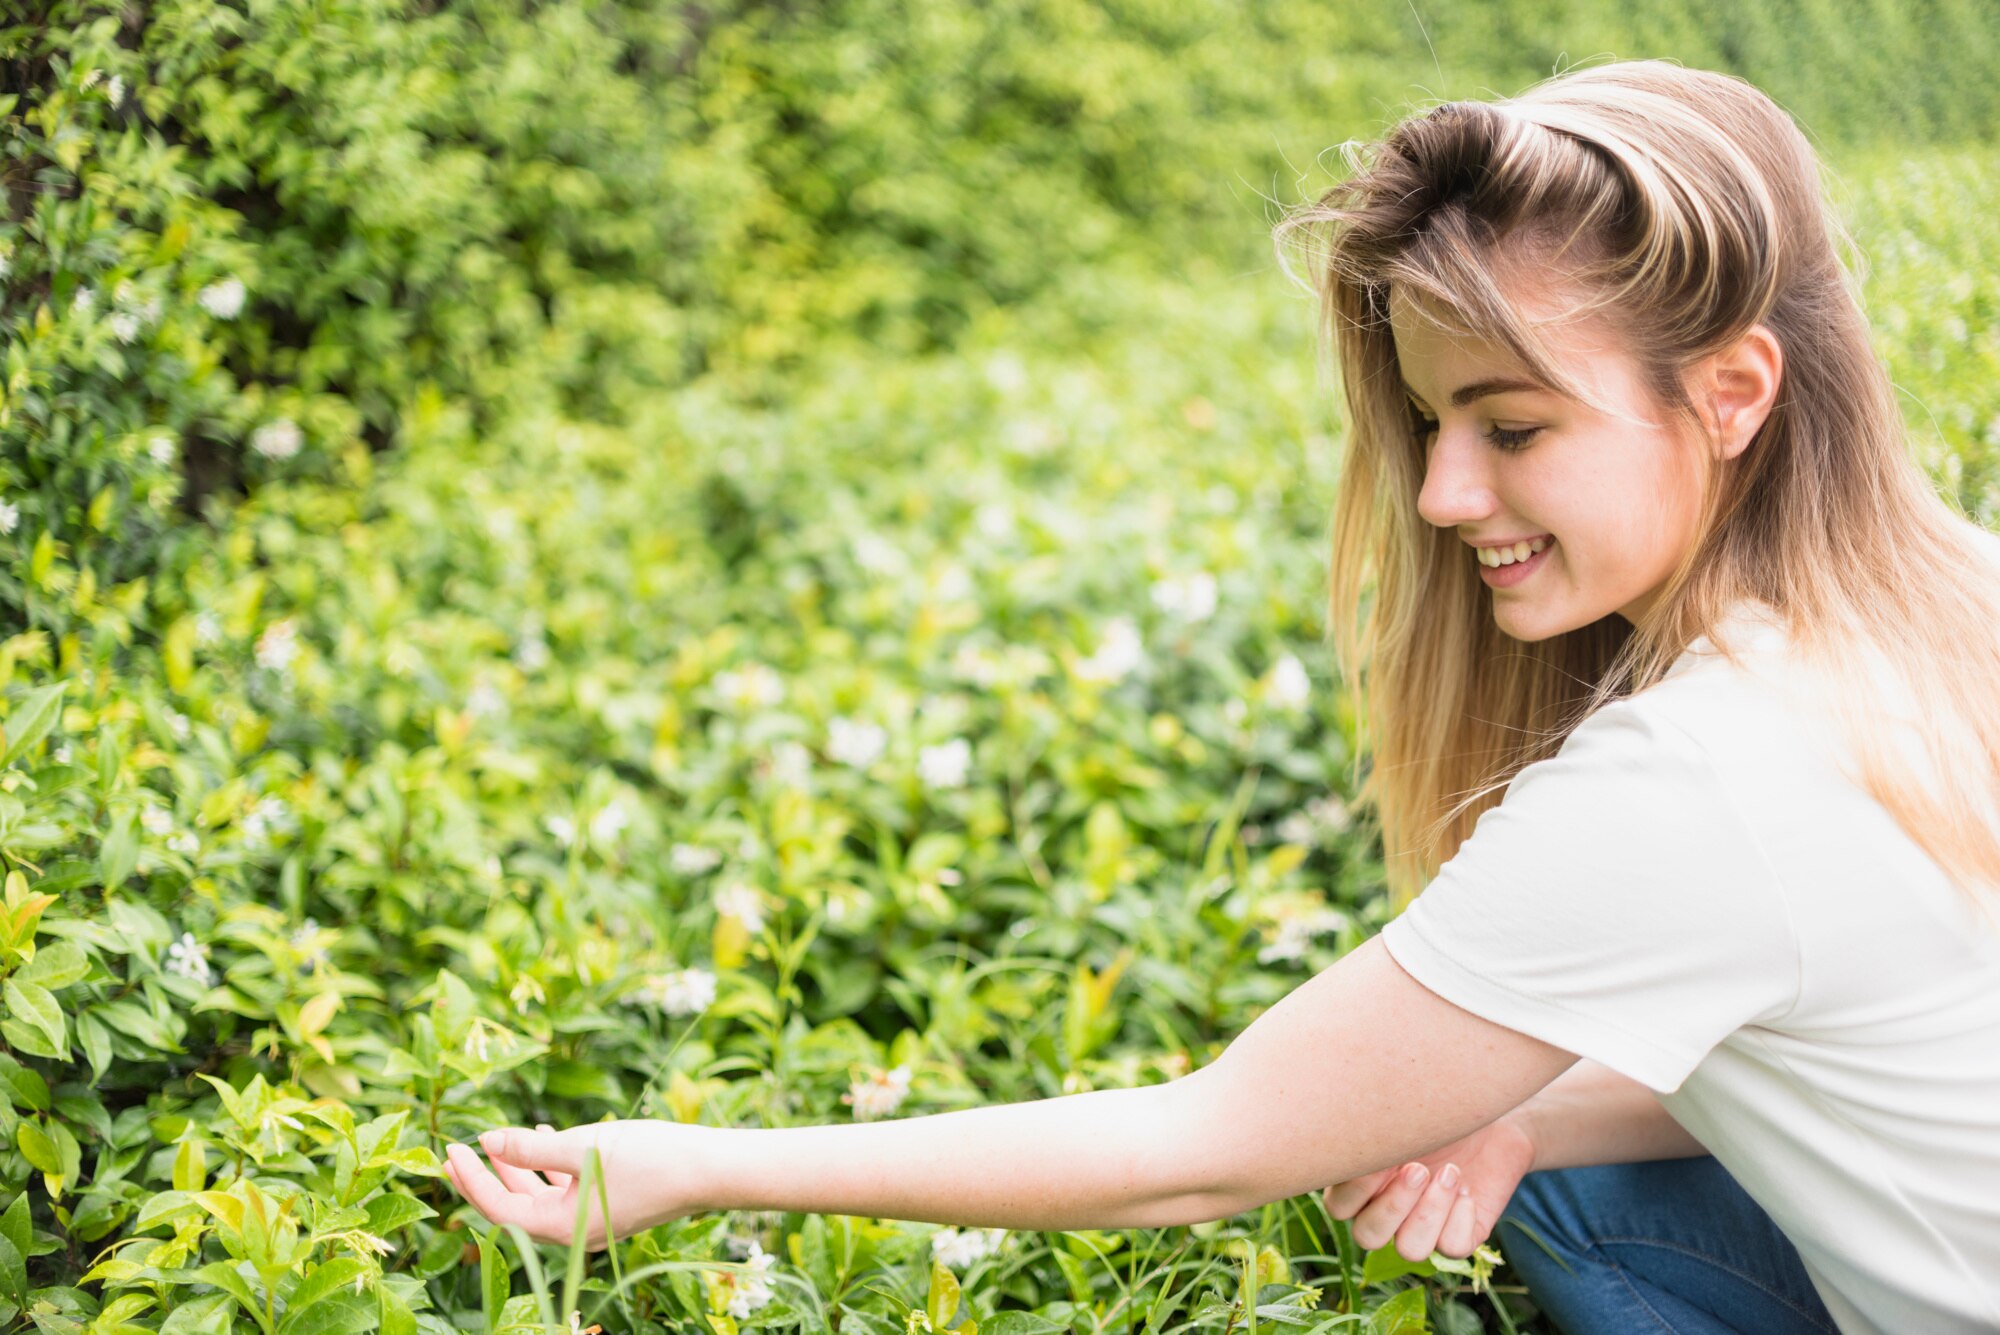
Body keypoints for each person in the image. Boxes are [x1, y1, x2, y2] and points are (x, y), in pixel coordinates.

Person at [442, 59, 2000, 1334]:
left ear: (1730, 395)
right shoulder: (1955, 597)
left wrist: (689, 1164)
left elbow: (1196, 1153)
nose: (1444, 494)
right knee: (1516, 1146)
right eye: (1430, 423)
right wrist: (1513, 1115)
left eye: (1513, 428)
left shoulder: (1702, 774)